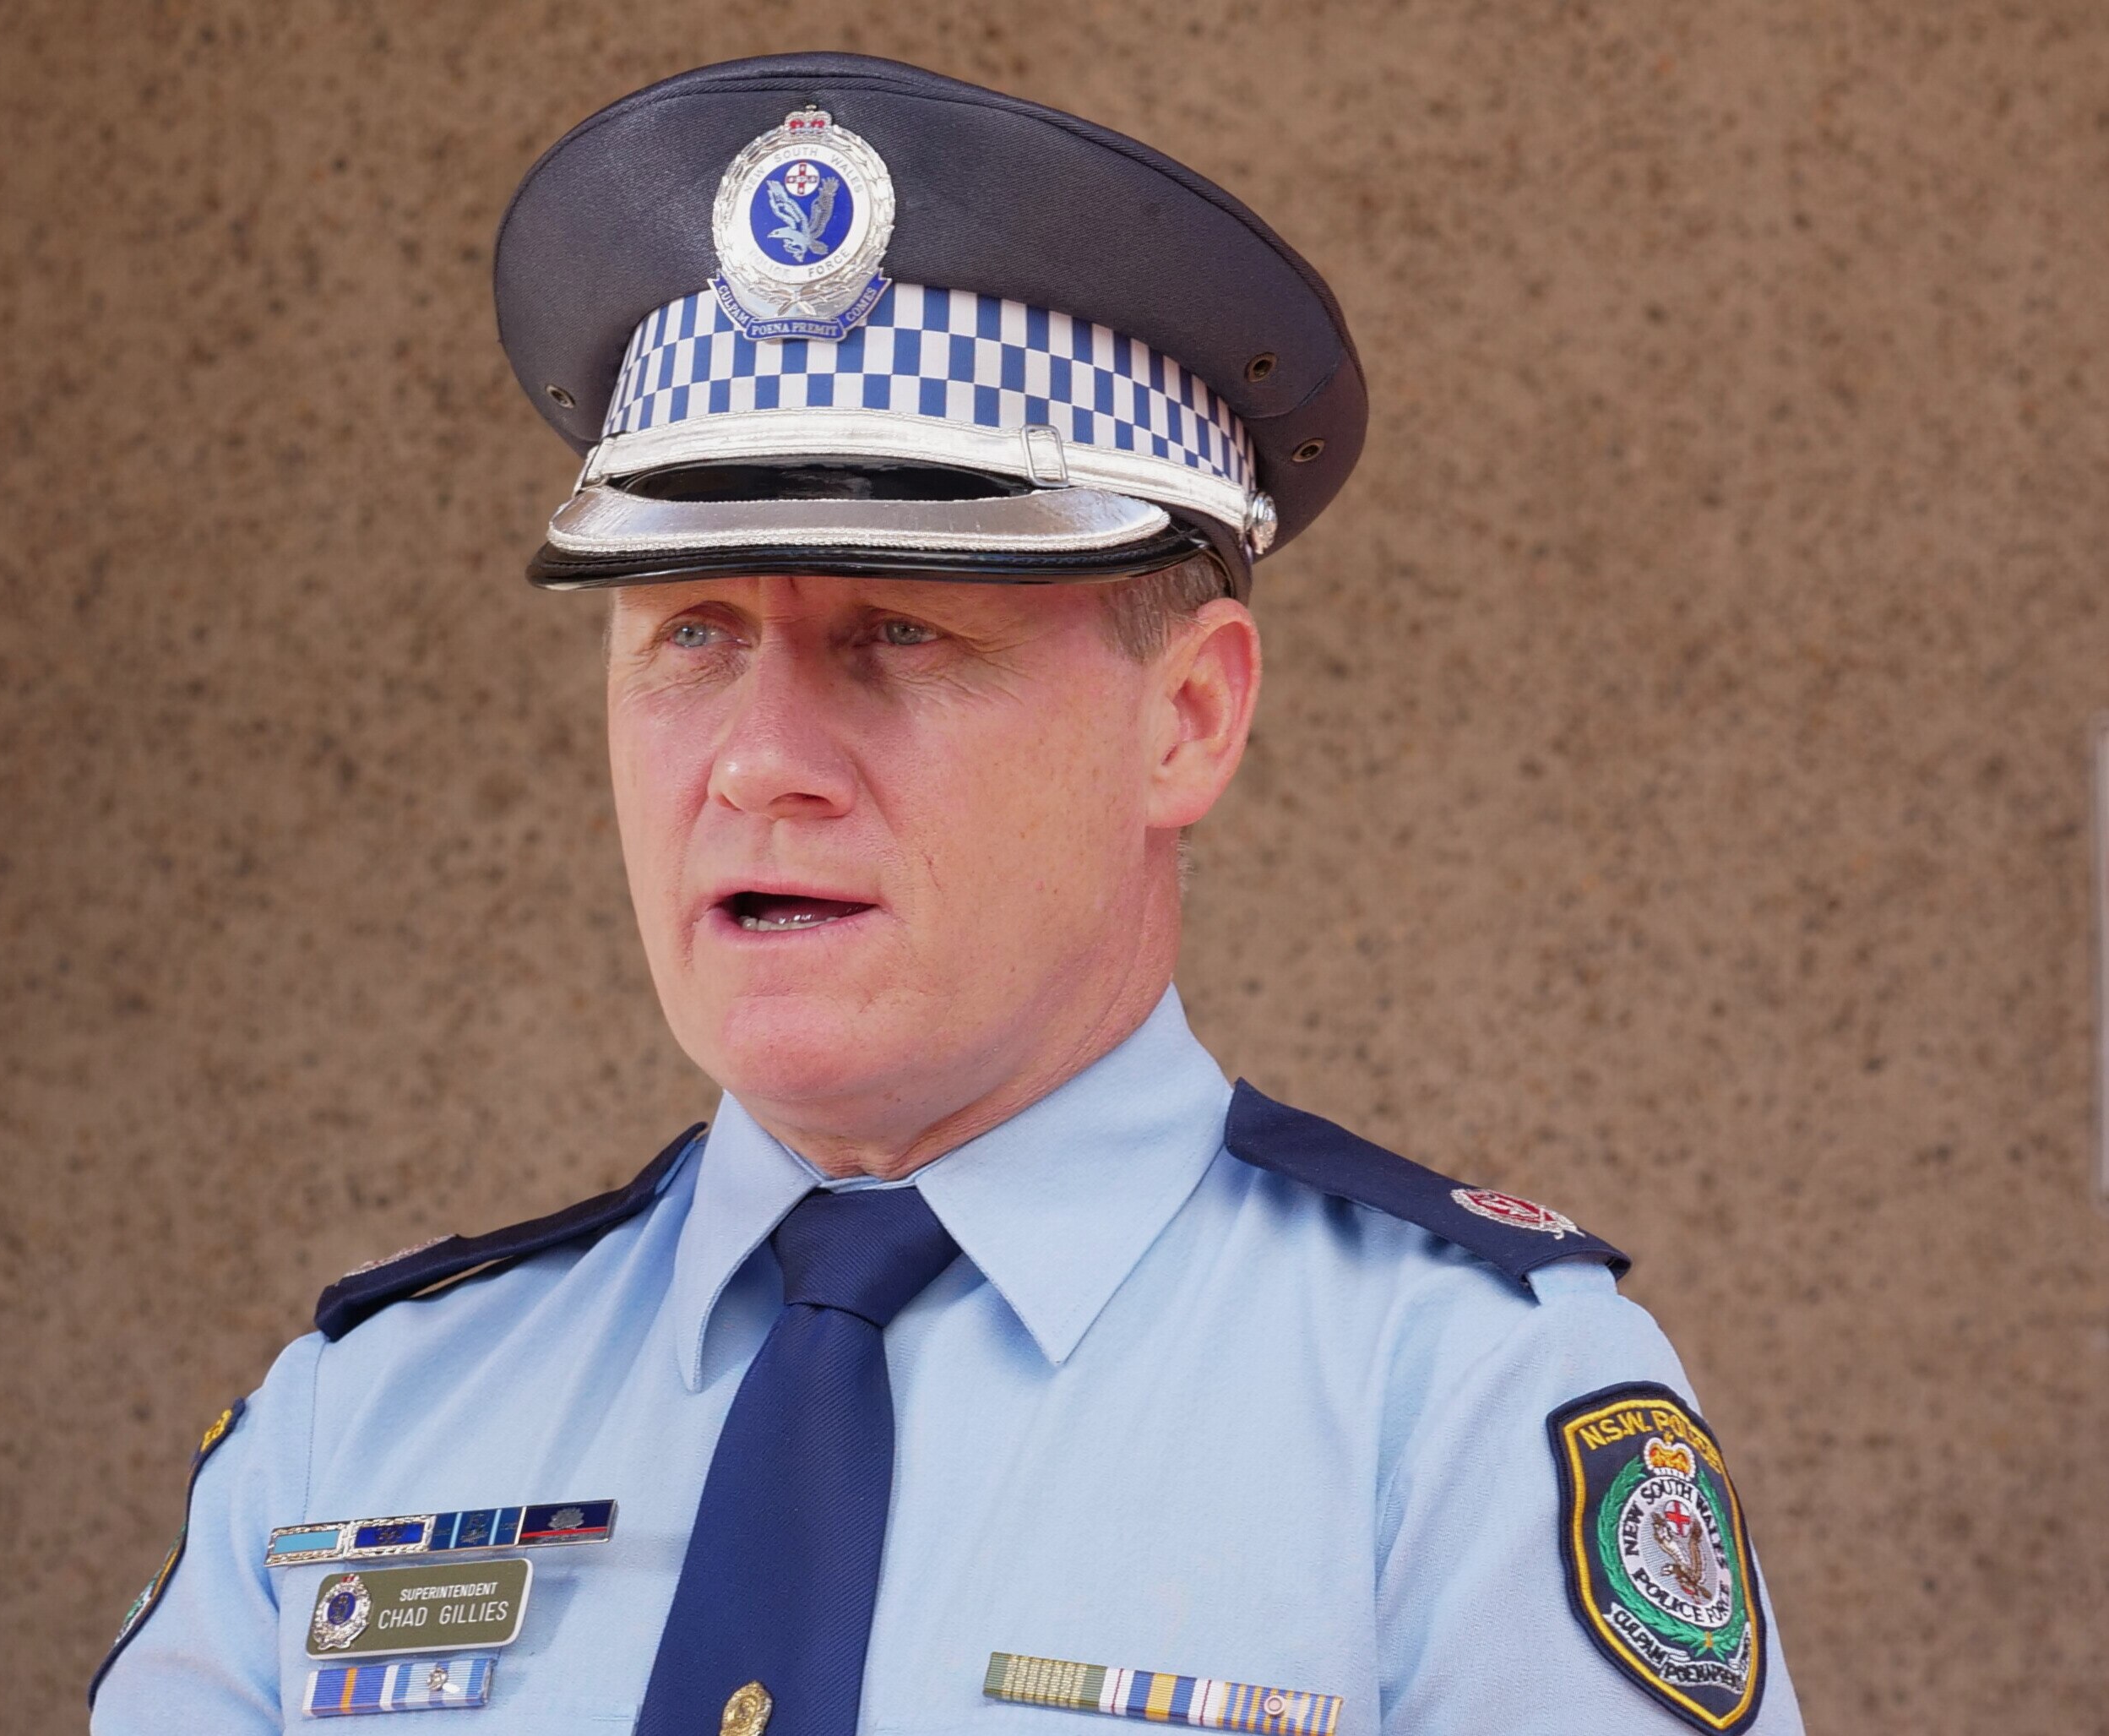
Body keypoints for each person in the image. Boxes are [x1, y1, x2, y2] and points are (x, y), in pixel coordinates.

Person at [89, 52, 1802, 1736]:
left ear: (1187, 718)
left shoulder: (1466, 1418)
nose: (760, 760)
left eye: (900, 631)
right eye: (692, 633)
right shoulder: (367, 1425)